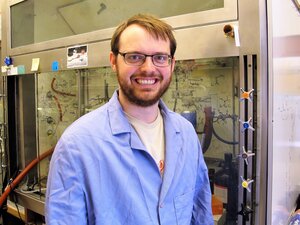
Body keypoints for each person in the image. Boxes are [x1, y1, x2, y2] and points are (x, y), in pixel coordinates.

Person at [45, 13, 213, 225]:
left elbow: (200, 213)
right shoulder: (77, 145)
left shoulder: (186, 134)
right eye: (135, 56)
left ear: (171, 64)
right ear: (114, 61)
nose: (149, 68)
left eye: (160, 57)